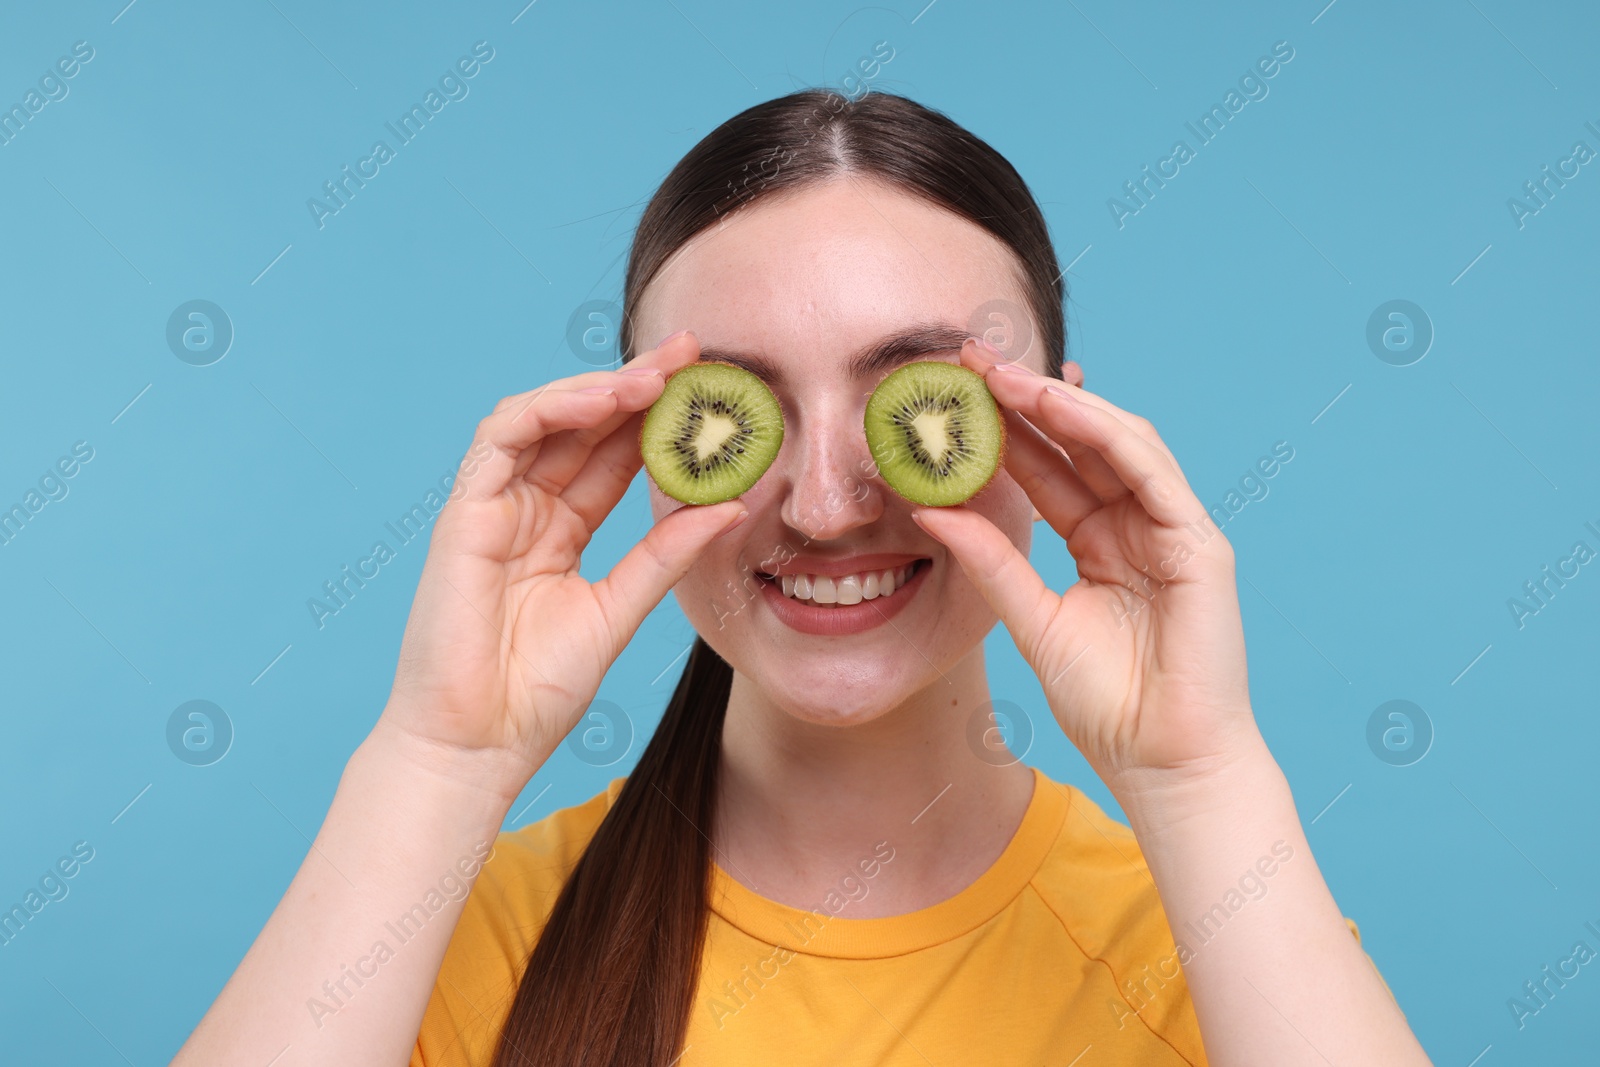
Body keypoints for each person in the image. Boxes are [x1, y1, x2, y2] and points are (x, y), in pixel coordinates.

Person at [171, 89, 1432, 1067]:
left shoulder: (1218, 949)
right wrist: (433, 759)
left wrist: (1202, 777)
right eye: (742, 413)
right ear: (642, 445)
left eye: (911, 401)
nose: (826, 505)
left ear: (1054, 434)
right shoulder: (454, 941)